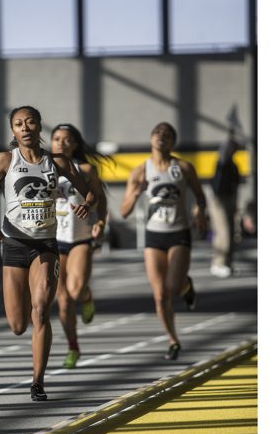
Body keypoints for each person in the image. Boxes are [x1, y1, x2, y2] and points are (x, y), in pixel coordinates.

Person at [0, 106, 98, 401]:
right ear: (13, 131)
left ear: (40, 127)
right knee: (18, 325)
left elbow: (90, 192)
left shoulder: (57, 161)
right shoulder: (6, 160)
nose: (25, 127)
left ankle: (38, 382)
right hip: (14, 245)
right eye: (18, 124)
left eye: (30, 122)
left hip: (46, 245)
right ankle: (26, 313)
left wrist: (87, 206)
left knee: (41, 309)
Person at [120, 122, 207, 361]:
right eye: (157, 133)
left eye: (167, 134)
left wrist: (200, 212)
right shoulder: (140, 171)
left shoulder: (183, 167)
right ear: (151, 139)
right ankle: (173, 340)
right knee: (159, 295)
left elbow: (200, 196)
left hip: (179, 232)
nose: (161, 137)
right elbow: (124, 211)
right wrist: (137, 192)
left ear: (173, 142)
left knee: (173, 288)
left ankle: (185, 285)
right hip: (154, 234)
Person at [49, 123, 112, 369]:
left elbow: (100, 197)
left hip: (80, 239)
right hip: (54, 240)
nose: (61, 144)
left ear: (75, 144)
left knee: (74, 292)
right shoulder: (44, 168)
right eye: (56, 139)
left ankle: (86, 295)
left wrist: (101, 221)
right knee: (62, 300)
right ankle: (73, 346)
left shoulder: (85, 169)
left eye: (66, 140)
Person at [209, 135, 242, 278]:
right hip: (218, 200)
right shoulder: (221, 163)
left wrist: (235, 204)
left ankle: (227, 262)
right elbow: (223, 153)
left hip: (230, 199)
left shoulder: (233, 165)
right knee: (224, 231)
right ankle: (218, 263)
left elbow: (236, 187)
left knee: (231, 232)